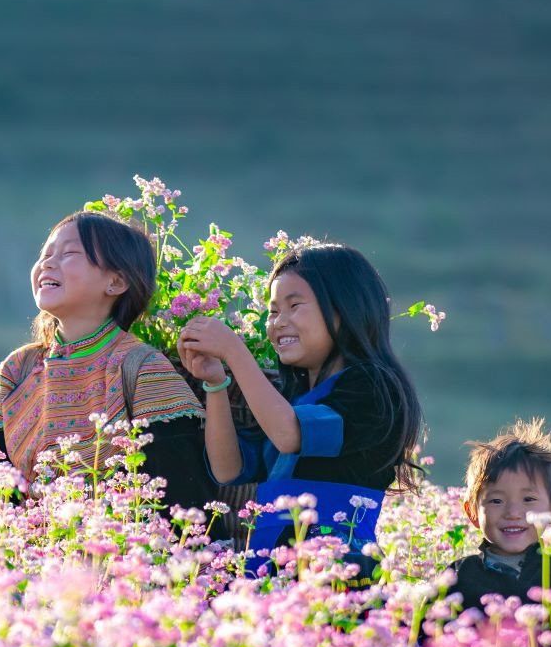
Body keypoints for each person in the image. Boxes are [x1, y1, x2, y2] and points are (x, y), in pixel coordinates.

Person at [177, 243, 423, 579]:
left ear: (344, 309)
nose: (279, 322)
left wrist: (235, 351)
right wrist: (216, 384)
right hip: (267, 564)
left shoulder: (374, 387)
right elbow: (228, 469)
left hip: (335, 568)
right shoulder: (289, 400)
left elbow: (291, 435)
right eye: (274, 311)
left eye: (295, 306)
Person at [0, 211, 218, 520]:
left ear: (116, 281)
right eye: (45, 254)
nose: (47, 263)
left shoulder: (144, 370)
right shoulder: (16, 370)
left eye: (70, 253)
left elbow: (182, 501)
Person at [447, 417, 551, 613]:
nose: (513, 514)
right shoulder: (458, 576)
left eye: (528, 499)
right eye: (496, 501)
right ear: (472, 512)